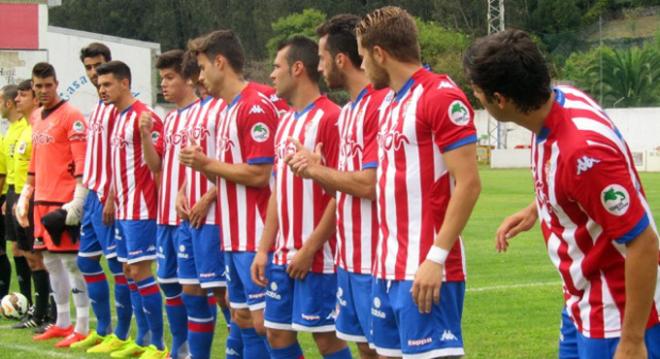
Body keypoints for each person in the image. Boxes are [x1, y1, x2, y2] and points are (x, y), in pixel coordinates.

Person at [463, 28, 660, 359]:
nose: (476, 99)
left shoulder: (582, 154)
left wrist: (631, 340)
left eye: (478, 93)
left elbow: (644, 244)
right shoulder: (561, 102)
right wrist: (536, 208)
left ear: (500, 99)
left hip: (615, 311)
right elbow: (575, 188)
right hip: (580, 303)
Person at [355, 6, 482, 358]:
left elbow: (469, 183)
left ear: (379, 53)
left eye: (363, 56)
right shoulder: (388, 105)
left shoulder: (440, 95)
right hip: (387, 268)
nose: (362, 66)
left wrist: (436, 258)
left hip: (427, 269)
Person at [285, 14, 387, 359]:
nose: (321, 66)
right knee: (364, 348)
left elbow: (371, 184)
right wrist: (317, 171)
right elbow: (342, 190)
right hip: (350, 256)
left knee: (386, 350)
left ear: (341, 60)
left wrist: (317, 172)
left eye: (324, 58)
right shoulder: (348, 113)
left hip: (379, 257)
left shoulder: (380, 105)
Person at [250, 35, 350, 359]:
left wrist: (309, 249)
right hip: (282, 255)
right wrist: (263, 249)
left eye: (277, 67)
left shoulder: (331, 118)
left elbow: (341, 193)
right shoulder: (284, 123)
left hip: (319, 255)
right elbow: (279, 192)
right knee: (276, 333)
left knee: (328, 340)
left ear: (297, 69)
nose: (271, 75)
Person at [182, 29, 278, 359]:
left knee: (268, 326)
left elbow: (261, 174)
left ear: (220, 63)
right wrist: (200, 167)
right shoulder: (224, 111)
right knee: (242, 318)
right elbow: (227, 173)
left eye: (203, 67)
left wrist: (207, 163)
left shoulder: (254, 107)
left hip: (255, 236)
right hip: (232, 236)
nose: (200, 76)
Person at [16, 62, 92, 348]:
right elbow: (36, 161)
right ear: (33, 88)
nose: (44, 90)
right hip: (40, 201)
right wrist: (25, 196)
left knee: (72, 263)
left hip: (63, 200)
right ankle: (61, 322)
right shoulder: (36, 117)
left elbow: (82, 161)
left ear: (57, 84)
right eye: (38, 86)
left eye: (48, 85)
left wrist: (78, 200)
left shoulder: (71, 116)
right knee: (49, 261)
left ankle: (82, 325)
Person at [96, 60, 167, 358]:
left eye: (108, 84)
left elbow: (157, 166)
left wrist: (158, 207)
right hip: (122, 207)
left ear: (125, 83)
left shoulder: (145, 117)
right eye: (100, 86)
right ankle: (141, 340)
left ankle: (159, 346)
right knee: (128, 271)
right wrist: (111, 197)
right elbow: (116, 164)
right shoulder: (114, 116)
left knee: (140, 270)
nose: (102, 90)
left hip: (141, 209)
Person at [70, 42, 137, 355]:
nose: (93, 73)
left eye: (98, 66)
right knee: (86, 261)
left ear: (110, 65)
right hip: (93, 195)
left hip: (111, 196)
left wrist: (111, 196)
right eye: (88, 68)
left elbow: (119, 158)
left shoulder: (118, 109)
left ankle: (121, 334)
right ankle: (102, 329)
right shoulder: (98, 106)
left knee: (118, 266)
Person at [144, 49, 199, 359]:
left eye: (169, 78)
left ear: (188, 78)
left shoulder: (204, 113)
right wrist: (144, 138)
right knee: (168, 282)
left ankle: (197, 349)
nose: (163, 85)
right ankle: (180, 349)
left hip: (189, 217)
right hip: (165, 216)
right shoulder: (171, 118)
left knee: (197, 290)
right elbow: (157, 165)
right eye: (161, 79)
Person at [9, 80, 52, 331]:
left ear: (35, 99)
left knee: (43, 256)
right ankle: (38, 309)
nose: (17, 99)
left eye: (23, 95)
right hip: (20, 195)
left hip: (37, 196)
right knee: (28, 254)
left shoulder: (35, 128)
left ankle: (50, 312)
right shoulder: (21, 127)